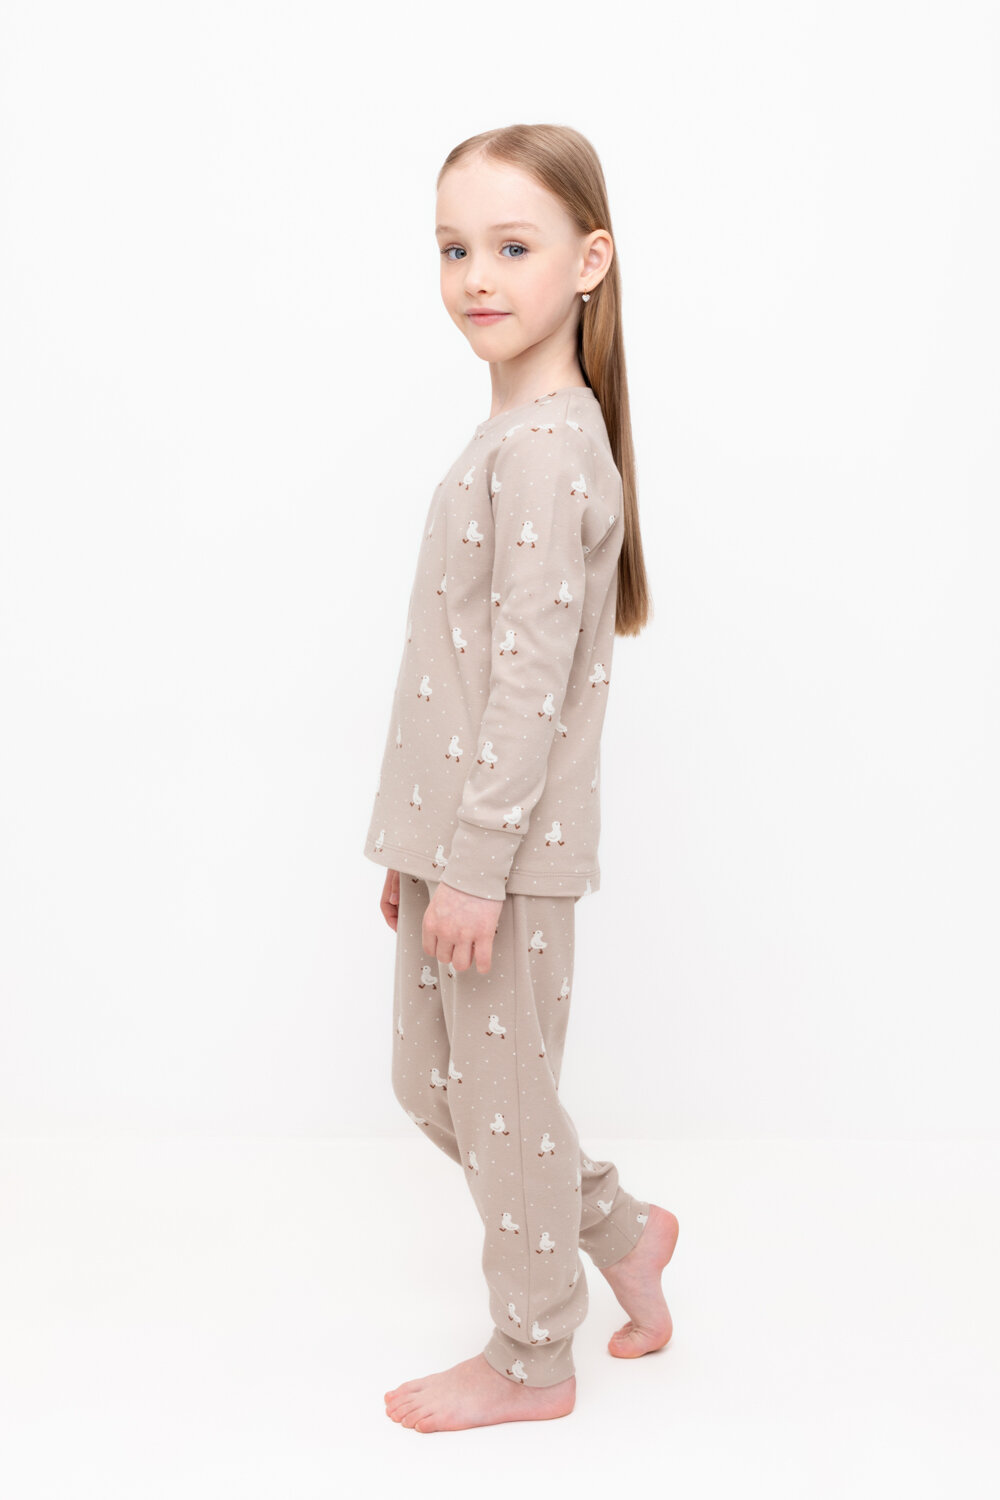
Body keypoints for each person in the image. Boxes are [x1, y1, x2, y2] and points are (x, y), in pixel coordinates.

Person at [362, 123, 679, 1434]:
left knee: (496, 1103)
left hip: (506, 854)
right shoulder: (511, 435)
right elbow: (454, 667)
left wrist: (478, 864)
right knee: (436, 1085)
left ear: (588, 261)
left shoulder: (549, 446)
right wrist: (418, 845)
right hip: (456, 843)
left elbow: (528, 684)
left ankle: (535, 1355)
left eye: (511, 246)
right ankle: (621, 1226)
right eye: (454, 249)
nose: (476, 277)